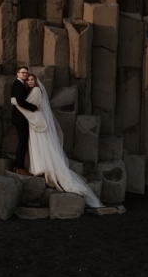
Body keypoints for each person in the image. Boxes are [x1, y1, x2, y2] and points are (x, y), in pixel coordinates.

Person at [11, 74, 104, 208]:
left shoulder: (36, 91)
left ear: (36, 82)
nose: (30, 81)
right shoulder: (32, 91)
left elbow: (27, 108)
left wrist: (15, 102)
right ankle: (40, 168)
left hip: (37, 124)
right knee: (38, 147)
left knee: (41, 146)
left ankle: (43, 168)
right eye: (28, 80)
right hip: (34, 125)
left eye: (32, 80)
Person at [10, 66, 37, 176]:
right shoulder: (18, 85)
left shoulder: (21, 85)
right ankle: (20, 167)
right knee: (23, 142)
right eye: (23, 73)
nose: (25, 75)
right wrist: (34, 108)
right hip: (20, 118)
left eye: (26, 73)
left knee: (22, 141)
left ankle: (18, 165)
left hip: (20, 117)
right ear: (18, 74)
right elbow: (20, 102)